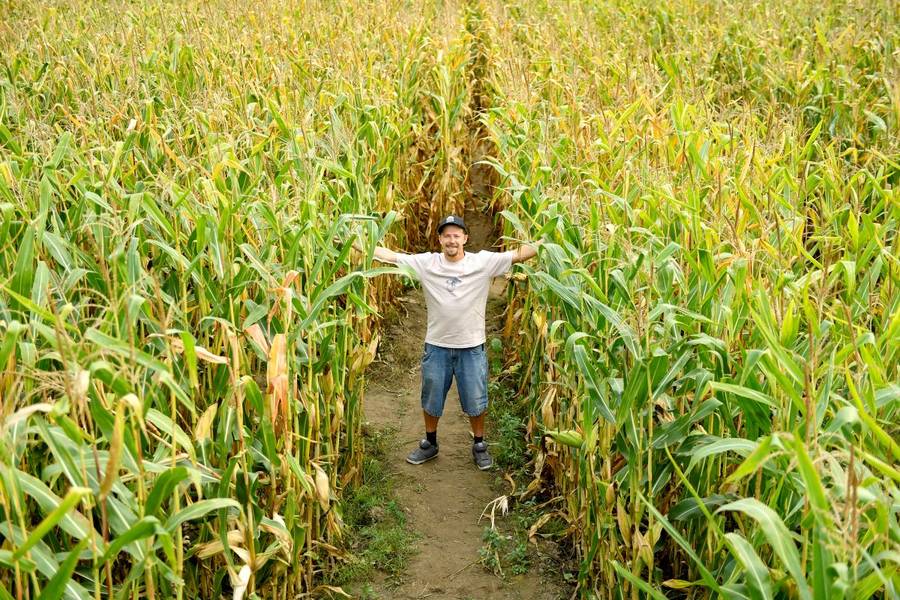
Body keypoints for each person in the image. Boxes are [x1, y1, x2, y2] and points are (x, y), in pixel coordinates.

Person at [361, 214, 539, 470]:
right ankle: (430, 443)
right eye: (447, 235)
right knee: (431, 397)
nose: (451, 240)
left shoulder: (483, 262)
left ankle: (479, 444)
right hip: (437, 345)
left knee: (476, 400)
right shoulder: (427, 264)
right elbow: (388, 256)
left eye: (456, 235)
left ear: (465, 238)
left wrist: (548, 241)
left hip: (471, 346)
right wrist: (354, 240)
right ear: (440, 239)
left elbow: (518, 254)